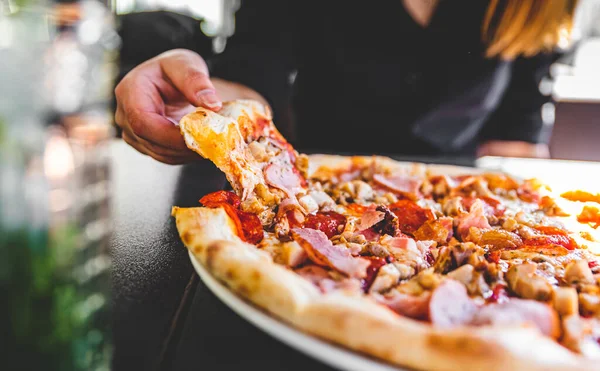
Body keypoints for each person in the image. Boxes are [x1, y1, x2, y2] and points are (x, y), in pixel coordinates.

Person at [114, 0, 579, 165]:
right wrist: (200, 104)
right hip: (312, 198)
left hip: (461, 201)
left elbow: (516, 142)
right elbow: (254, 76)